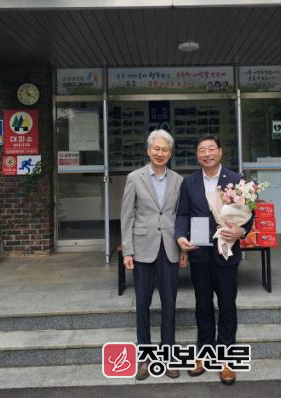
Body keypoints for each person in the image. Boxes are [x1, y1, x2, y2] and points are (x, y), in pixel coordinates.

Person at [175, 134, 253, 385]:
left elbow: (249, 215)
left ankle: (227, 358)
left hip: (226, 252)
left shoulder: (236, 179)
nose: (207, 154)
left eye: (211, 149)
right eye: (202, 150)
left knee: (227, 305)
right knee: (203, 305)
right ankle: (204, 352)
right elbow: (183, 214)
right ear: (197, 155)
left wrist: (241, 231)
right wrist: (180, 237)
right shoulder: (189, 182)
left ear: (220, 151)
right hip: (200, 253)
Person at [121, 129, 186, 380]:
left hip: (169, 248)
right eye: (156, 149)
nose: (160, 153)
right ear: (148, 151)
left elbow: (181, 216)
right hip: (142, 248)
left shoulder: (178, 180)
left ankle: (168, 357)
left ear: (170, 153)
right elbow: (127, 215)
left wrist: (183, 249)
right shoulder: (134, 178)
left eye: (165, 150)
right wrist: (127, 250)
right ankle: (144, 358)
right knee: (142, 304)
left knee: (169, 303)